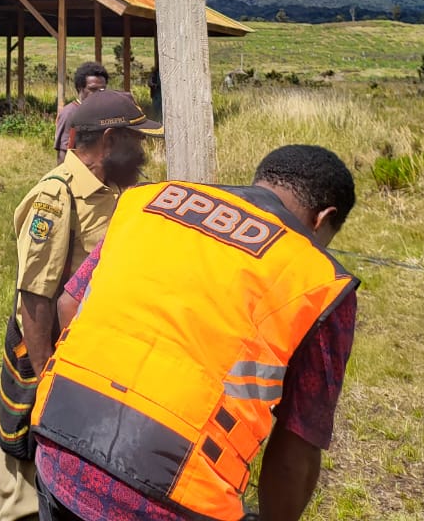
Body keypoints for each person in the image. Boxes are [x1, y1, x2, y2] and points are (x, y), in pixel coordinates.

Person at [32, 145, 359, 521]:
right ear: (324, 218)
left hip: (59, 450)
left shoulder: (148, 201)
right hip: (174, 499)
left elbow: (69, 304)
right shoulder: (318, 277)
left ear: (261, 180)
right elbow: (295, 451)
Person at [0, 90, 164, 521]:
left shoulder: (115, 192)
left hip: (88, 358)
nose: (142, 151)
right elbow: (35, 298)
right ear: (108, 140)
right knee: (23, 486)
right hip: (47, 357)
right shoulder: (57, 196)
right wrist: (47, 383)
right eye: (134, 140)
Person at [54, 62, 110, 163]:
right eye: (93, 89)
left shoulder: (104, 111)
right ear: (80, 88)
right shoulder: (70, 114)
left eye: (103, 89)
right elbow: (63, 155)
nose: (99, 94)